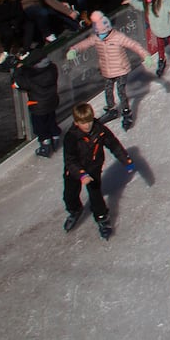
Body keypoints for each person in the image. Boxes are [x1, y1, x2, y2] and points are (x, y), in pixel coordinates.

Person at [61, 102, 132, 239]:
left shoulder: (100, 130)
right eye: (83, 123)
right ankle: (75, 210)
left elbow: (114, 145)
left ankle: (102, 219)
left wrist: (126, 161)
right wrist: (81, 175)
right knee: (69, 194)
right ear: (76, 123)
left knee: (95, 196)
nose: (87, 125)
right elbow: (70, 160)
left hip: (93, 168)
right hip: (74, 171)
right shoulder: (71, 137)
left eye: (89, 121)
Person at [67, 11, 150, 129]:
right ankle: (112, 109)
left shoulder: (118, 37)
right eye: (99, 33)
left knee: (121, 90)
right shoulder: (96, 38)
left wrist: (145, 56)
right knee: (108, 89)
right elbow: (85, 43)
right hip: (107, 69)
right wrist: (74, 50)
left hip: (121, 68)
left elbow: (134, 45)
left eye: (103, 33)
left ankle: (126, 112)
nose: (101, 36)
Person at [13, 50, 61, 156]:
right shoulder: (53, 68)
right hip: (52, 101)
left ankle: (45, 144)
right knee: (51, 120)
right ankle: (55, 136)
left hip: (38, 106)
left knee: (40, 126)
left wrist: (18, 70)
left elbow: (17, 83)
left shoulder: (30, 77)